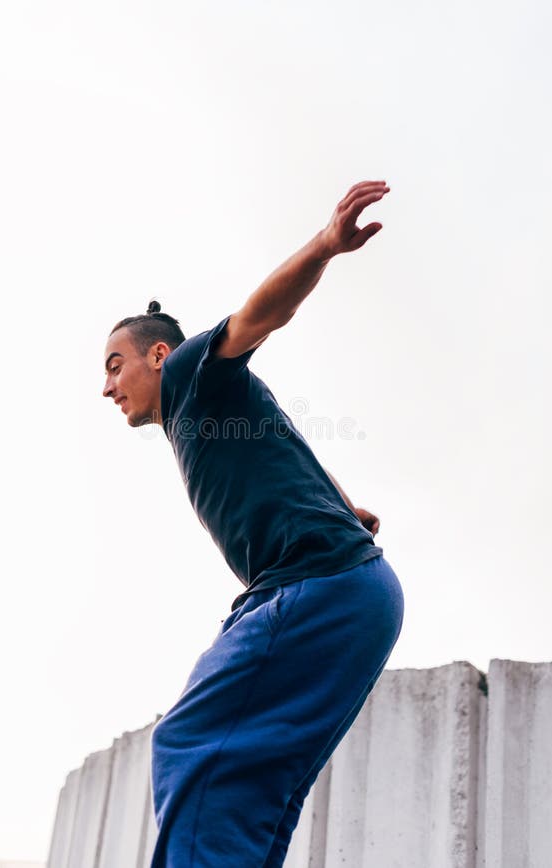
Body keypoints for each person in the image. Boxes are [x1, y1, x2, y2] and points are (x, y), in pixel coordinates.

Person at [103, 179, 404, 867]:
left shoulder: (190, 372)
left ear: (158, 355)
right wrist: (345, 506)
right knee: (258, 789)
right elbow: (289, 445)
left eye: (115, 366)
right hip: (349, 590)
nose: (107, 386)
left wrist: (324, 246)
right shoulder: (211, 414)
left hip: (318, 584)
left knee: (189, 741)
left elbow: (258, 316)